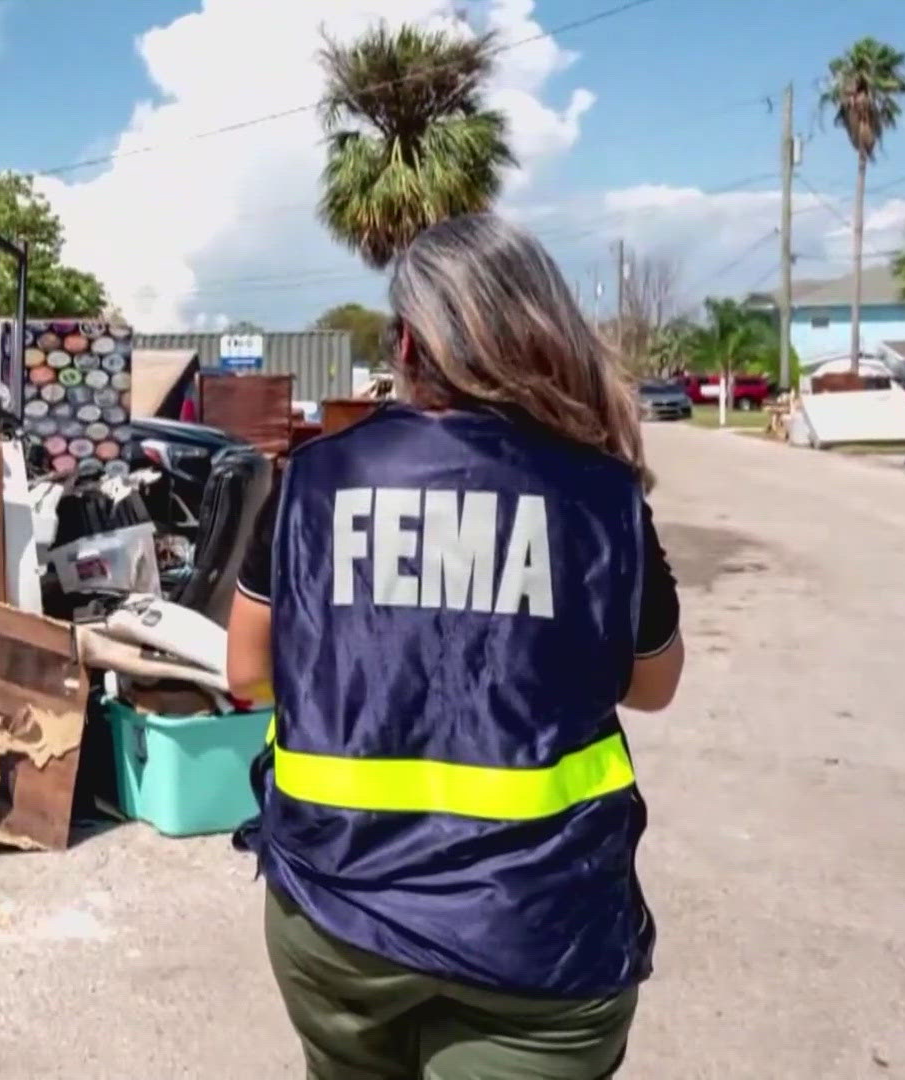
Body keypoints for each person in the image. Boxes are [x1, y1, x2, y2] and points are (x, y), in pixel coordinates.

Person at [226, 212, 684, 1080]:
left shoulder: (314, 477)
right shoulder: (601, 494)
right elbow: (653, 686)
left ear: (404, 342)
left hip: (336, 913)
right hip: (540, 933)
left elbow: (247, 671)